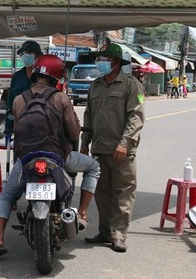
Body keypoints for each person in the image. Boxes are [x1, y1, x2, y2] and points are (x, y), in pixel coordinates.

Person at [0, 54, 100, 259]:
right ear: (57, 75)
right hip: (57, 158)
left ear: (36, 73)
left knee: (7, 194)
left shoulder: (20, 99)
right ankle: (81, 213)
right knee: (94, 167)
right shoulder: (61, 98)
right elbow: (73, 132)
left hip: (26, 159)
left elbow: (18, 128)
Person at [81, 42, 145, 253]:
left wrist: (124, 143)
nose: (101, 62)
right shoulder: (96, 85)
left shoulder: (131, 84)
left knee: (123, 193)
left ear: (116, 62)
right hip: (99, 149)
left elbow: (136, 117)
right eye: (100, 59)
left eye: (105, 59)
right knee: (102, 193)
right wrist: (84, 143)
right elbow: (88, 115)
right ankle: (105, 231)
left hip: (121, 151)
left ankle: (119, 235)